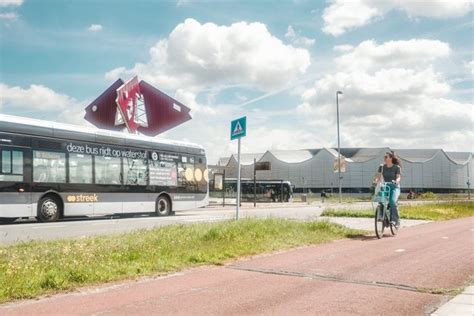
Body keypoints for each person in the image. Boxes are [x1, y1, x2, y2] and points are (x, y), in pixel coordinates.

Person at [374, 151, 401, 228]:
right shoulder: (382, 166)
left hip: (394, 187)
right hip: (385, 186)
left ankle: (395, 220)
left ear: (391, 158)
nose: (384, 158)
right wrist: (376, 180)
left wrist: (396, 181)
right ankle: (383, 218)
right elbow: (378, 176)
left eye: (386, 157)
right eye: (384, 157)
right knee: (381, 201)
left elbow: (398, 177)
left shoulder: (396, 167)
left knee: (392, 202)